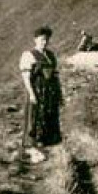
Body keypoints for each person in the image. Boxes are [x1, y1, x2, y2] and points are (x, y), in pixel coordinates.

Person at [19, 25, 63, 162]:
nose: (45, 42)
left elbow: (55, 76)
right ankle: (32, 146)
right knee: (35, 116)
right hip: (37, 90)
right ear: (36, 40)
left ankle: (47, 144)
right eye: (42, 39)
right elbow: (26, 77)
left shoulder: (50, 55)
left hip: (49, 92)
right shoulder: (29, 55)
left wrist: (59, 93)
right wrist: (31, 93)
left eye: (47, 40)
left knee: (49, 115)